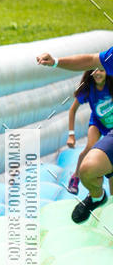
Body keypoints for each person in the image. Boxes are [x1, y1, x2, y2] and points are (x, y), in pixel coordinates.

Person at [37, 47, 113, 223]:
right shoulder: (90, 88)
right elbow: (89, 60)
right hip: (102, 125)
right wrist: (55, 61)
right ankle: (95, 195)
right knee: (88, 165)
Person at [66, 68, 113, 195]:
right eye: (95, 71)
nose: (98, 74)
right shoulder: (88, 89)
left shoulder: (111, 84)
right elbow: (72, 110)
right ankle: (75, 177)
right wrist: (71, 135)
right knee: (90, 147)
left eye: (102, 71)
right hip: (97, 123)